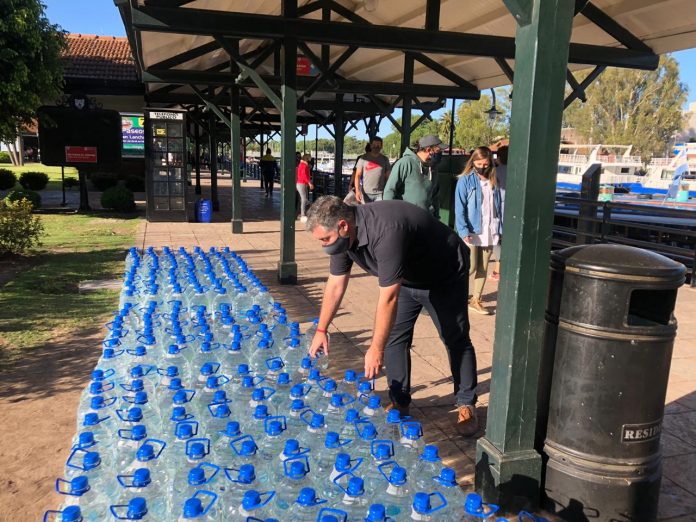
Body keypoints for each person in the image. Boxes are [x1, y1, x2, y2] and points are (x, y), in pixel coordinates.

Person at [306, 196, 480, 436]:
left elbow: (388, 298)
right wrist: (321, 330)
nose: (324, 245)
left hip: (444, 273)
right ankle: (400, 401)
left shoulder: (386, 230)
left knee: (455, 337)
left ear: (343, 225)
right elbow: (335, 285)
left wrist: (375, 348)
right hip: (407, 275)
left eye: (325, 239)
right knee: (395, 337)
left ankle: (466, 403)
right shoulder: (343, 238)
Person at [454, 146, 503, 315]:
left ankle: (476, 299)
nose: (482, 166)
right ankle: (452, 294)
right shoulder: (465, 180)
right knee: (471, 266)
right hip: (472, 229)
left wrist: (500, 227)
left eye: (486, 163)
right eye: (479, 163)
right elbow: (459, 207)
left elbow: (497, 206)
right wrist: (463, 229)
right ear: (473, 162)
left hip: (490, 228)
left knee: (483, 267)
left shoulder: (494, 180)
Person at [383, 134, 442, 218]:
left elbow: (435, 196)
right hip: (406, 219)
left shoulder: (433, 168)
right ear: (428, 150)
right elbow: (389, 191)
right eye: (438, 150)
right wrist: (389, 217)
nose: (440, 153)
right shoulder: (405, 163)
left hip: (427, 219)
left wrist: (436, 218)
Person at [490, 145, 508, 281]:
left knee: (497, 239)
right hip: (511, 209)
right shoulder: (516, 171)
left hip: (498, 209)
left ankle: (497, 270)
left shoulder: (495, 172)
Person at [355, 136, 391, 203]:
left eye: (378, 145)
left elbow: (388, 176)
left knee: (379, 213)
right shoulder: (363, 158)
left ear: (381, 146)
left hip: (380, 194)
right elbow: (357, 175)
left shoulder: (385, 159)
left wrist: (387, 191)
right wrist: (357, 191)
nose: (376, 147)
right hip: (365, 193)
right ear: (371, 145)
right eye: (374, 145)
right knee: (366, 213)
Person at [296, 153, 314, 222]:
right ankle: (303, 214)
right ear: (307, 158)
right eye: (309, 157)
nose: (310, 158)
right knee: (304, 199)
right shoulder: (304, 165)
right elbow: (304, 175)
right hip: (302, 184)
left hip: (300, 183)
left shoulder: (302, 164)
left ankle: (301, 214)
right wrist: (309, 183)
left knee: (302, 199)